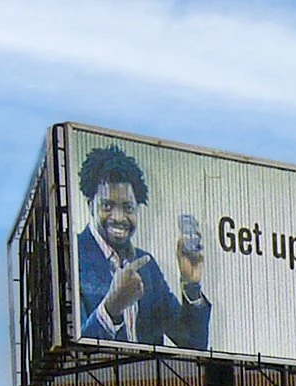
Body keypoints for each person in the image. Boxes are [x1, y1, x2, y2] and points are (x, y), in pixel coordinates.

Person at [76, 144, 211, 350]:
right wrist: (111, 308)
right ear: (90, 205)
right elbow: (75, 354)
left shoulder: (146, 265)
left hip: (147, 381)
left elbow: (193, 343)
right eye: (107, 206)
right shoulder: (71, 257)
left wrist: (191, 285)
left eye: (128, 207)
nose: (119, 217)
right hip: (94, 381)